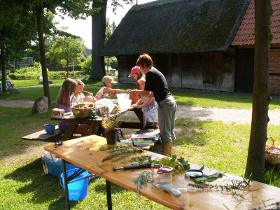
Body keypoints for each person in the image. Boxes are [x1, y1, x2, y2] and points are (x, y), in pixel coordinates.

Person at [128, 54, 177, 156]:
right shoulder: (156, 72)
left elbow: (146, 93)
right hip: (170, 102)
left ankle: (165, 159)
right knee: (169, 132)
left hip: (165, 103)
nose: (141, 70)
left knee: (165, 133)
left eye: (141, 67)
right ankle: (168, 156)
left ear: (144, 64)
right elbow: (152, 93)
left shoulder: (150, 73)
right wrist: (137, 92)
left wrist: (135, 92)